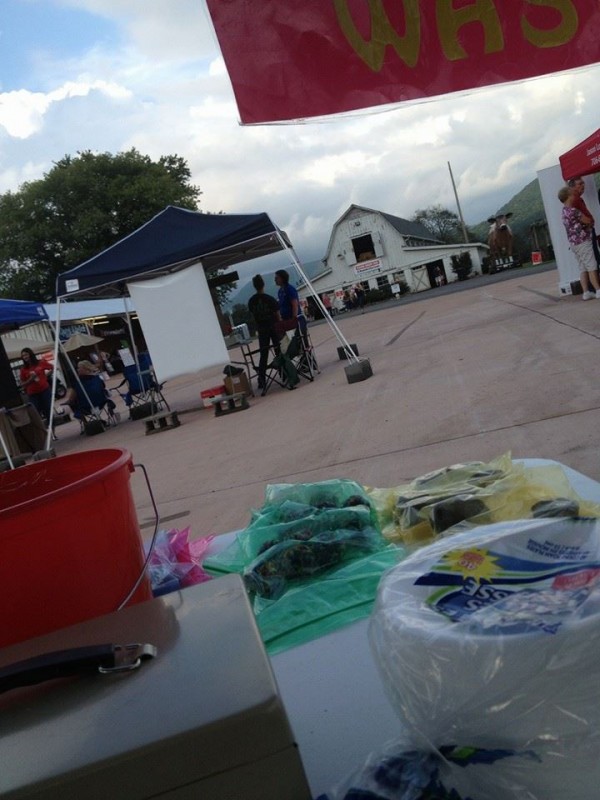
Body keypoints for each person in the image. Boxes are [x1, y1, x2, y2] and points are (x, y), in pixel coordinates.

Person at [558, 185, 600, 300]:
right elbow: (587, 220)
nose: (573, 196)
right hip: (583, 241)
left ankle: (586, 292)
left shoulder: (564, 212)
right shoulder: (573, 211)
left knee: (582, 267)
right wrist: (589, 223)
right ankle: (598, 290)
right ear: (568, 196)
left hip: (574, 243)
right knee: (592, 265)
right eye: (571, 194)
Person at [247, 274, 281, 390]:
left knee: (264, 354)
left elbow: (253, 315)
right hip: (273, 327)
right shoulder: (270, 299)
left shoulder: (251, 301)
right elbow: (278, 315)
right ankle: (284, 373)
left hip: (261, 329)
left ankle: (262, 380)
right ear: (263, 284)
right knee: (278, 350)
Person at [568, 176, 600, 268]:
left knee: (592, 260)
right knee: (594, 259)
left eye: (583, 183)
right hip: (586, 233)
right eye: (580, 184)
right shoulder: (575, 199)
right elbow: (577, 217)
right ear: (573, 187)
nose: (583, 185)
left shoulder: (577, 198)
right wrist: (588, 224)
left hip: (586, 231)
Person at [19, 348, 53, 423]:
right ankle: (42, 432)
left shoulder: (40, 363)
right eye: (23, 356)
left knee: (48, 410)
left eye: (26, 354)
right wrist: (31, 379)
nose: (25, 357)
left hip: (45, 391)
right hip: (33, 394)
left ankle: (52, 431)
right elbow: (22, 384)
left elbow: (52, 367)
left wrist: (46, 376)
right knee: (36, 413)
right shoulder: (23, 369)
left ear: (30, 354)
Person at [274, 269, 302, 335]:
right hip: (285, 319)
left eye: (276, 278)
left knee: (296, 337)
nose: (275, 280)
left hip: (292, 319)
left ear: (282, 278)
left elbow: (295, 304)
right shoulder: (280, 291)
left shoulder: (289, 289)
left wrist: (294, 318)